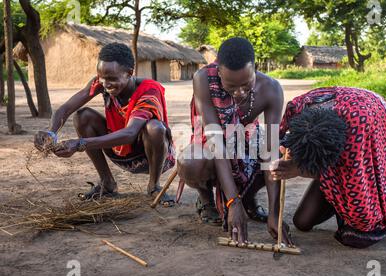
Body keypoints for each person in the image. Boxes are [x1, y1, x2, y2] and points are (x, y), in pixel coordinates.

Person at [270, 87, 386, 248]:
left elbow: (363, 215)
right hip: (348, 113)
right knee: (302, 222)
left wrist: (299, 170)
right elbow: (269, 147)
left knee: (356, 234)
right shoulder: (296, 110)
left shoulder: (356, 147)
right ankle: (334, 193)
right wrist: (273, 213)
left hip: (370, 117)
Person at [177, 37, 292, 245]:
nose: (239, 93)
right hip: (215, 144)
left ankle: (249, 197)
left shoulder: (272, 89)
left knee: (280, 157)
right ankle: (206, 199)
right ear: (218, 72)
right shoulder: (203, 79)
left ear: (255, 68)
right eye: (231, 86)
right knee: (192, 162)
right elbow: (215, 141)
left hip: (247, 143)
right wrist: (233, 202)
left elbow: (271, 150)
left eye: (246, 84)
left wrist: (276, 212)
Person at [34, 43, 175, 204]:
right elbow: (65, 109)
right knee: (82, 116)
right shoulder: (102, 83)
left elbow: (130, 134)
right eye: (101, 77)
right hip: (120, 152)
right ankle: (107, 183)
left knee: (155, 128)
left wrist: (80, 144)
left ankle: (154, 186)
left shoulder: (148, 90)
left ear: (129, 73)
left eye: (112, 79)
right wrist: (51, 132)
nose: (105, 84)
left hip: (149, 156)